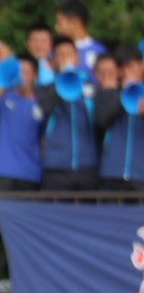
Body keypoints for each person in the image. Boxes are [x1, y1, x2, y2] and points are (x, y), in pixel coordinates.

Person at [94, 48, 144, 192]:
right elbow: (101, 121)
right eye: (123, 68)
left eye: (132, 66)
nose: (128, 72)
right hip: (112, 174)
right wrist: (122, 95)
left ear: (143, 66)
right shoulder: (111, 93)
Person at [36, 38, 101, 191]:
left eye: (69, 54)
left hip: (87, 166)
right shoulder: (46, 87)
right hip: (55, 167)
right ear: (54, 60)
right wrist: (59, 82)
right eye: (60, 55)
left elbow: (100, 119)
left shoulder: (90, 86)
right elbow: (44, 109)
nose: (65, 58)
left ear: (77, 57)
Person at [0, 55, 44, 190]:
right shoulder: (5, 97)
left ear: (35, 75)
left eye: (25, 72)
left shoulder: (43, 103)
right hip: (3, 173)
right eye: (18, 72)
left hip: (31, 174)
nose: (21, 77)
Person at [53, 0, 106, 71]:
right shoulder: (55, 51)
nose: (56, 27)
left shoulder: (100, 51)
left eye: (59, 23)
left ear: (75, 22)